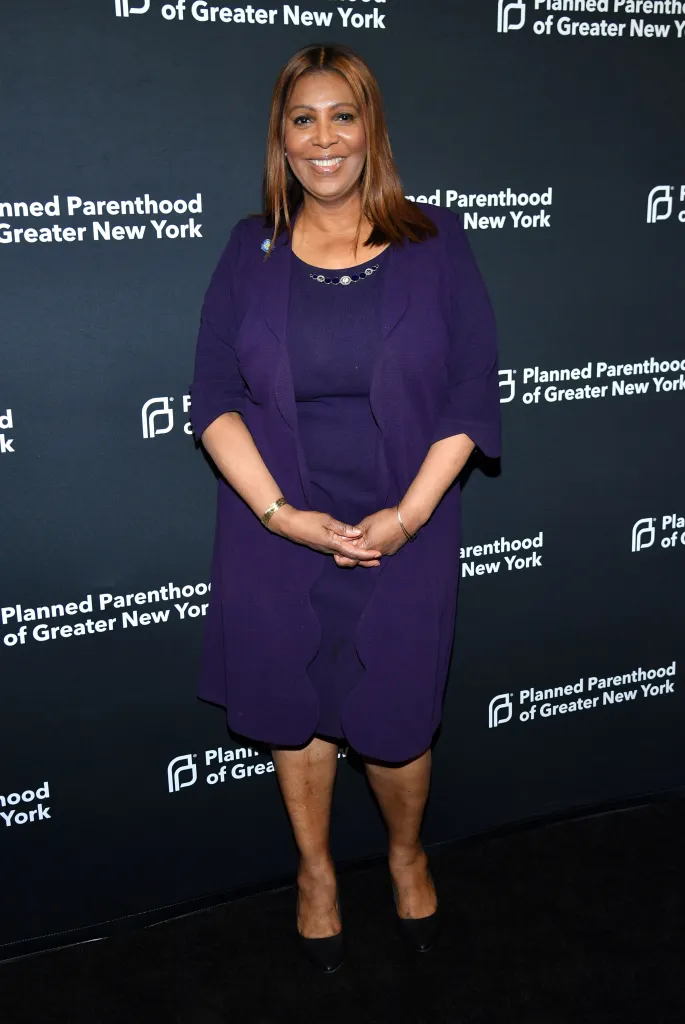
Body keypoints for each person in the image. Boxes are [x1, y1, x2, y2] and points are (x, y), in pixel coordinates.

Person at [189, 42, 501, 973]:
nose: (323, 139)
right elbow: (213, 399)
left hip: (406, 523)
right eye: (303, 120)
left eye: (342, 117)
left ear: (371, 131)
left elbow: (471, 395)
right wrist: (279, 515)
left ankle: (405, 856)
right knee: (296, 712)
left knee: (397, 719)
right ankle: (316, 873)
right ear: (281, 139)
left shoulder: (435, 241)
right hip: (277, 529)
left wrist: (406, 518)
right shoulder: (248, 250)